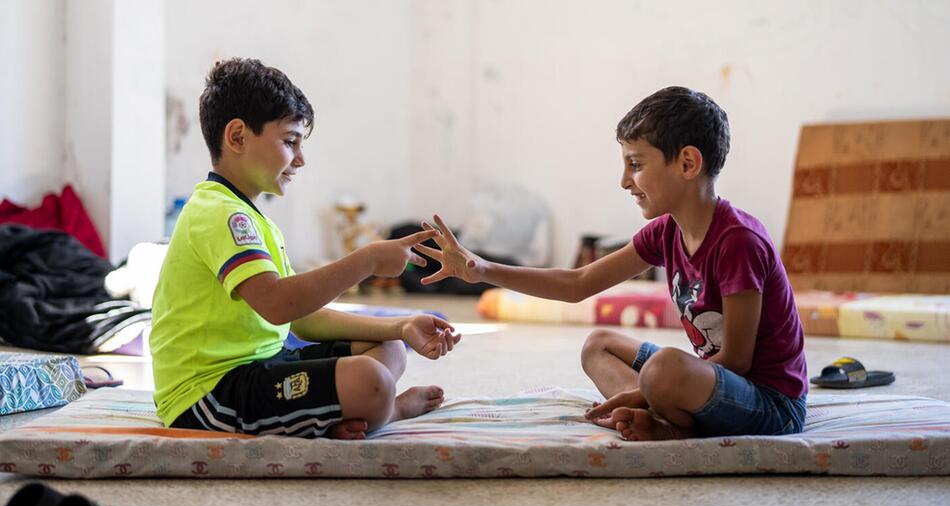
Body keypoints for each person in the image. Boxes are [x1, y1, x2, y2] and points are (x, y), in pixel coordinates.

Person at [414, 86, 807, 441]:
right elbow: (578, 283)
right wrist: (481, 270)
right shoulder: (666, 231)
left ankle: (666, 424)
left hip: (770, 405)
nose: (624, 181)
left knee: (666, 368)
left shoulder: (738, 241)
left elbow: (738, 360)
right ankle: (658, 412)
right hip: (710, 385)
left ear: (688, 164)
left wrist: (645, 388)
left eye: (635, 164)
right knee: (598, 345)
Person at [150, 58, 460, 439]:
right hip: (209, 395)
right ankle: (388, 410)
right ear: (237, 137)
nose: (300, 158)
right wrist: (367, 260)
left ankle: (337, 416)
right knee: (371, 381)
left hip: (261, 364)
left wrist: (401, 325)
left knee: (390, 348)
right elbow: (280, 305)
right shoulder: (220, 214)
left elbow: (301, 318)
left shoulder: (251, 218)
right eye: (289, 141)